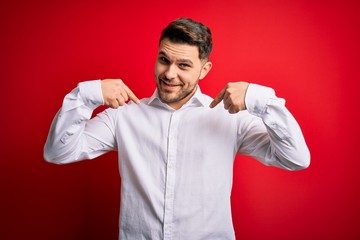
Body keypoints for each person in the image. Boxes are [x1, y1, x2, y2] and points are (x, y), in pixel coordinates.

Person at [44, 18, 310, 240]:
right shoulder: (123, 116)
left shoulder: (229, 118)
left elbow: (296, 158)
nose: (169, 73)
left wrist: (261, 100)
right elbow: (58, 153)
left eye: (183, 65)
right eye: (164, 59)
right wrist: (86, 95)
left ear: (204, 70)